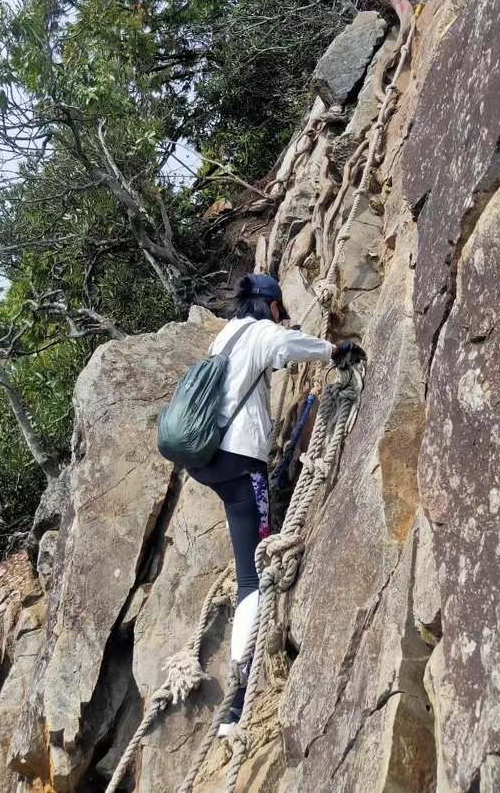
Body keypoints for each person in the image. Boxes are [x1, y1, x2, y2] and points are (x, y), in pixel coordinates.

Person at [187, 273, 365, 735]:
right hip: (242, 464)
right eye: (278, 309)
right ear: (269, 306)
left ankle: (235, 694)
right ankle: (237, 698)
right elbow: (290, 346)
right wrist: (336, 351)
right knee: (252, 579)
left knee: (246, 546)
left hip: (208, 463)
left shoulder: (226, 336)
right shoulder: (264, 331)